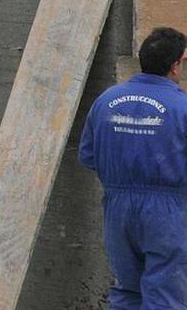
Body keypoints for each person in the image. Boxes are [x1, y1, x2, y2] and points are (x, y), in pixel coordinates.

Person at [80, 26, 187, 309]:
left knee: (127, 291)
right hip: (167, 213)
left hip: (117, 210)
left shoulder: (105, 101)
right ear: (175, 66)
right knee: (164, 293)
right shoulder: (182, 107)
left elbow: (88, 156)